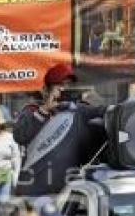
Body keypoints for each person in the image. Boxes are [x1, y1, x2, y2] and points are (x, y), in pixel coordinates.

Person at [13, 63, 106, 198]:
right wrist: (44, 110)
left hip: (66, 192)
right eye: (59, 86)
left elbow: (105, 112)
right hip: (33, 191)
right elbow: (20, 136)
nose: (63, 90)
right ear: (46, 90)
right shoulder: (31, 111)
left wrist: (94, 96)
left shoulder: (78, 111)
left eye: (68, 86)